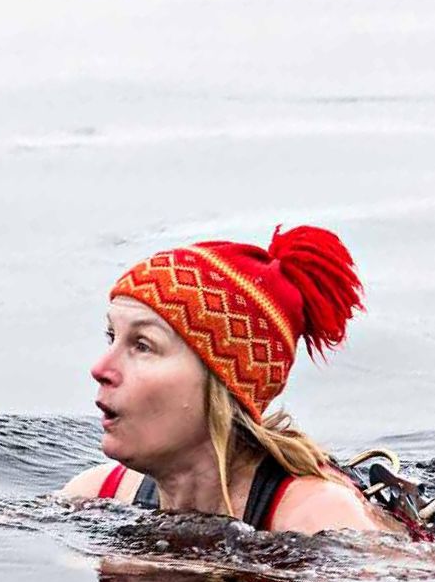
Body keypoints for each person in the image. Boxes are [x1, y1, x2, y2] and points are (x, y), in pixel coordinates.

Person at [59, 225, 405, 536]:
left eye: (143, 345)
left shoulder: (320, 518)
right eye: (111, 337)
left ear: (223, 385)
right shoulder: (94, 493)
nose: (101, 368)